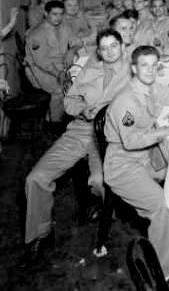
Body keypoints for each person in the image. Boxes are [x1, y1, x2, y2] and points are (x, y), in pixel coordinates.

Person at [22, 29, 130, 265]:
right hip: (81, 130)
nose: (110, 52)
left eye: (114, 46)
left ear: (123, 47)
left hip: (110, 136)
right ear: (98, 52)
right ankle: (40, 234)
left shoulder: (134, 70)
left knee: (100, 181)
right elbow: (69, 100)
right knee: (36, 178)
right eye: (104, 48)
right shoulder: (91, 68)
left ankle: (103, 212)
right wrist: (82, 109)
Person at [104, 45, 169, 280]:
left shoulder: (152, 87)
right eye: (144, 65)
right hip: (123, 164)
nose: (150, 70)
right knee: (159, 203)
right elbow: (131, 141)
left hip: (146, 156)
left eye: (155, 65)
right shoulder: (126, 100)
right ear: (133, 68)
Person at [25, 0, 77, 122]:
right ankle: (55, 123)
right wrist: (59, 74)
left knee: (79, 81)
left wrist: (72, 50)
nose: (58, 18)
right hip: (39, 69)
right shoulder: (37, 33)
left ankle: (66, 115)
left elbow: (75, 39)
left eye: (61, 14)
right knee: (60, 90)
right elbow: (41, 61)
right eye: (54, 14)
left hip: (59, 65)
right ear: (45, 13)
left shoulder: (63, 25)